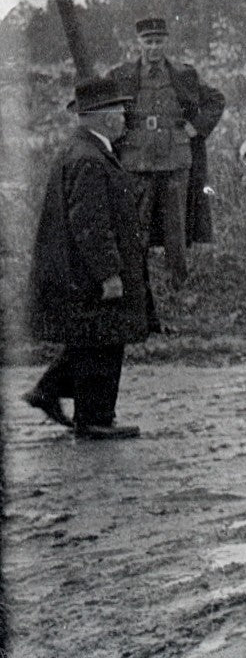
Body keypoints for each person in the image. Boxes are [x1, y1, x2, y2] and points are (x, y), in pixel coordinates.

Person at [25, 77, 150, 440]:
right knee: (104, 337)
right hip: (89, 272)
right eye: (117, 108)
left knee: (93, 335)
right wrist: (109, 273)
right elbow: (90, 224)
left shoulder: (83, 151)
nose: (124, 114)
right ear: (99, 116)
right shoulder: (90, 159)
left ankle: (50, 391)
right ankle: (94, 419)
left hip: (77, 271)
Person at [104, 16, 225, 308]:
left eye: (159, 41)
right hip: (137, 159)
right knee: (136, 224)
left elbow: (216, 100)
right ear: (139, 43)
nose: (154, 48)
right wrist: (116, 132)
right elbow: (101, 105)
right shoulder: (120, 75)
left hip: (175, 159)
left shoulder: (184, 74)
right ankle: (135, 287)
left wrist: (195, 128)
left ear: (166, 42)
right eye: (148, 41)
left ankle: (178, 287)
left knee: (176, 226)